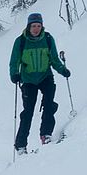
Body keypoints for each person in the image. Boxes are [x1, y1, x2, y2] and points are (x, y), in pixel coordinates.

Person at [9, 12, 70, 152]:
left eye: (38, 25)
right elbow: (14, 61)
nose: (36, 28)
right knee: (28, 113)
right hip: (28, 80)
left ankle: (46, 135)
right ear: (28, 26)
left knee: (49, 105)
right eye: (33, 26)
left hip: (45, 76)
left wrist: (62, 70)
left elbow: (54, 59)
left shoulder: (48, 39)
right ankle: (21, 145)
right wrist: (14, 74)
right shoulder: (21, 41)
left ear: (42, 26)